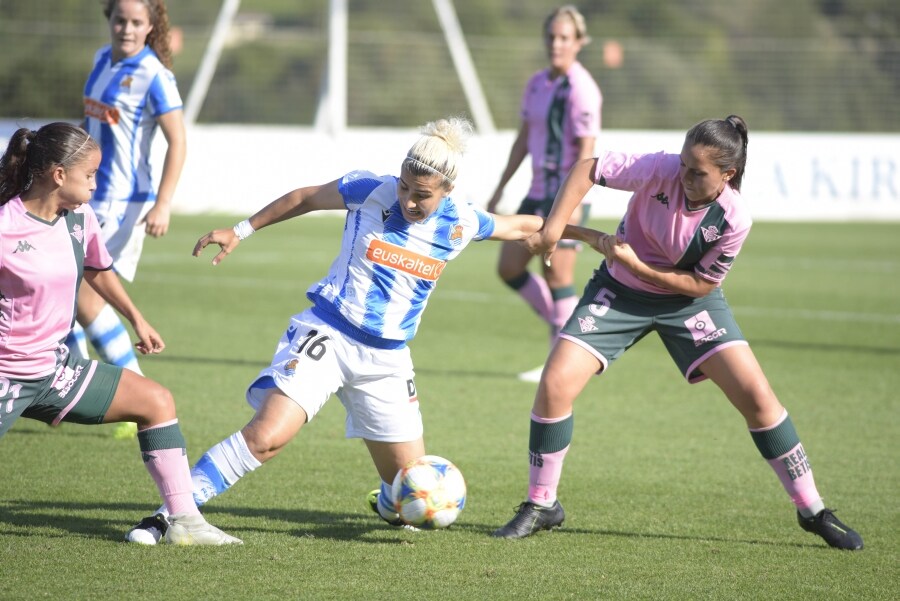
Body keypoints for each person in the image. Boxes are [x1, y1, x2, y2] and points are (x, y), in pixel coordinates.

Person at [124, 117, 604, 544]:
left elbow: (526, 225)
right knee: (267, 436)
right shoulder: (368, 189)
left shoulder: (461, 222)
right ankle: (172, 515)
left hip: (388, 361)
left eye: (423, 194)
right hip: (329, 336)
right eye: (405, 188)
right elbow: (305, 197)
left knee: (409, 495)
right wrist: (240, 230)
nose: (409, 200)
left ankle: (384, 502)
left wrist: (590, 236)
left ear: (447, 191)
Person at [491, 115, 864, 550]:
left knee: (759, 399)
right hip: (619, 291)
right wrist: (555, 229)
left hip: (689, 303)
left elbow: (701, 285)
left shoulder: (734, 218)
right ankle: (541, 504)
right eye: (684, 163)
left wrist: (639, 266)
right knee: (554, 385)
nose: (683, 175)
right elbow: (587, 169)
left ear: (728, 174)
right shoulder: (660, 167)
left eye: (698, 171)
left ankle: (813, 509)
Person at [0, 122, 238, 545]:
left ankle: (186, 522)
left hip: (56, 372)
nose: (96, 183)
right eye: (89, 175)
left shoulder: (79, 218)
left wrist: (137, 319)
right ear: (58, 176)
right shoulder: (5, 226)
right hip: (6, 375)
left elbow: (97, 269)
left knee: (156, 400)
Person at [67, 0, 186, 396]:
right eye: (121, 20)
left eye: (137, 22)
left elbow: (178, 142)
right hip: (87, 194)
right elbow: (89, 125)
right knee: (63, 287)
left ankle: (138, 395)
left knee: (83, 294)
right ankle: (66, 380)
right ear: (110, 20)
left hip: (123, 202)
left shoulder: (154, 75)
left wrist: (163, 202)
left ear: (150, 27)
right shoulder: (102, 58)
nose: (127, 29)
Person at [486, 5, 601, 382]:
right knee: (508, 267)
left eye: (564, 37)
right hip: (536, 192)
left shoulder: (582, 90)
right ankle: (562, 327)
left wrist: (575, 203)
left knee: (557, 276)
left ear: (579, 42)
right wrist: (501, 185)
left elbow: (587, 151)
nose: (556, 44)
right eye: (551, 36)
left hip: (566, 196)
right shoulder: (537, 83)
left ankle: (560, 361)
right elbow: (523, 140)